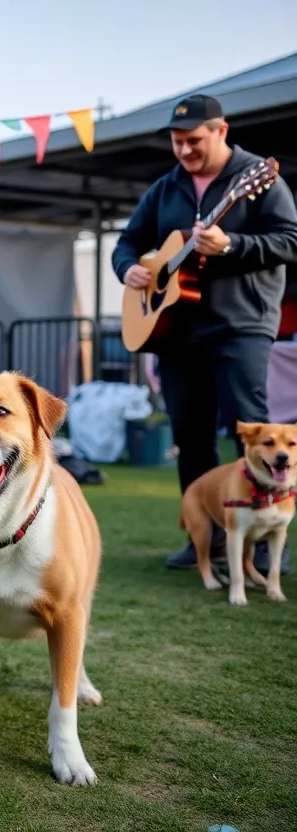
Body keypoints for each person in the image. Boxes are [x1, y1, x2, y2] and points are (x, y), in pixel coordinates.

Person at [112, 94, 297, 575]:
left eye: (193, 141)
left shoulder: (259, 177)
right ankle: (207, 536)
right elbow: (128, 241)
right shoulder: (165, 187)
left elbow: (289, 241)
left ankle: (262, 538)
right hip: (175, 332)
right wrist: (129, 267)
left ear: (221, 131)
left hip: (241, 325)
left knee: (249, 429)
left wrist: (231, 244)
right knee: (190, 435)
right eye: (177, 142)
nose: (184, 151)